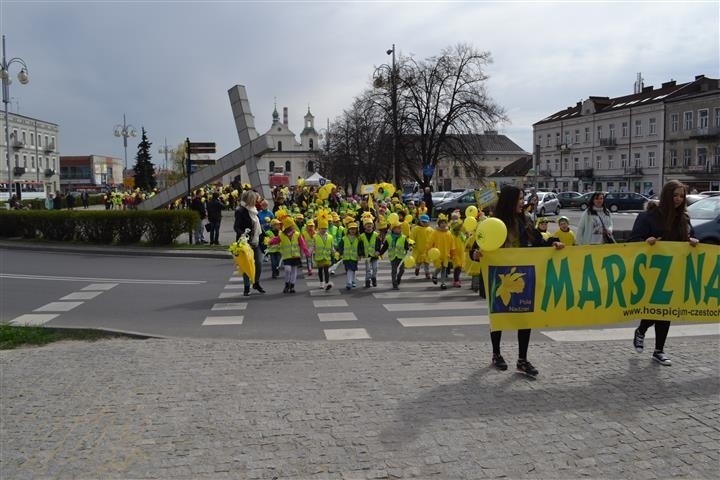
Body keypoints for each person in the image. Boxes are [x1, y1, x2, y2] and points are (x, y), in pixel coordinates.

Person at [487, 185, 565, 376]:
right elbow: (478, 246)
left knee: (525, 317)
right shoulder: (495, 222)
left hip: (523, 275)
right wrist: (477, 253)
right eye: (520, 199)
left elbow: (538, 241)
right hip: (500, 277)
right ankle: (496, 354)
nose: (523, 202)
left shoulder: (526, 220)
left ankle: (522, 359)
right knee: (500, 317)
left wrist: (552, 242)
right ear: (509, 200)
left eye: (523, 198)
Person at [630, 180, 699, 366]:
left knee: (666, 310)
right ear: (667, 195)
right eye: (675, 195)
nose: (678, 199)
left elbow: (686, 238)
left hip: (675, 270)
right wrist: (647, 241)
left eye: (681, 196)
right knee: (655, 308)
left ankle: (658, 350)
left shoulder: (683, 217)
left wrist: (691, 241)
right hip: (652, 271)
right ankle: (641, 330)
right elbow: (632, 242)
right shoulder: (648, 216)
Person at [233, 190, 265, 296]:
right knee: (247, 265)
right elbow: (236, 226)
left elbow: (257, 225)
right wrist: (242, 234)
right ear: (250, 199)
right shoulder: (241, 211)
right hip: (246, 242)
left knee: (259, 263)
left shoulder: (254, 210)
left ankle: (256, 283)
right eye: (255, 198)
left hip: (255, 241)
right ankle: (246, 287)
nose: (257, 200)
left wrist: (266, 235)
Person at [337, 222, 364, 290]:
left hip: (354, 257)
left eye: (354, 229)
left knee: (352, 269)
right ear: (348, 230)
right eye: (351, 229)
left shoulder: (358, 238)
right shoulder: (344, 238)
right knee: (349, 269)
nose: (352, 230)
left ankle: (351, 281)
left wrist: (360, 254)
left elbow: (361, 247)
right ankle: (350, 281)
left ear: (357, 230)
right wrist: (340, 253)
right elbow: (340, 247)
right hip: (346, 257)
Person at [387, 219, 409, 290]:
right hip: (393, 257)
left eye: (400, 228)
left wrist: (409, 248)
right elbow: (385, 247)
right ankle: (394, 283)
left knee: (402, 270)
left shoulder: (403, 237)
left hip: (401, 257)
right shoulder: (389, 238)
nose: (399, 229)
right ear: (393, 229)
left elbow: (406, 246)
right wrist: (379, 253)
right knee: (394, 270)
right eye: (397, 228)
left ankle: (398, 277)